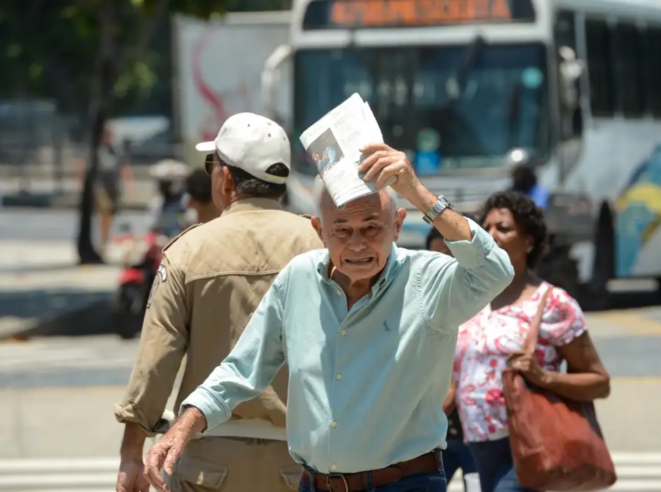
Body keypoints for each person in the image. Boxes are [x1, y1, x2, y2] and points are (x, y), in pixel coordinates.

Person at [143, 142, 516, 492]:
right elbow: (241, 369)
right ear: (319, 231)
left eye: (371, 227)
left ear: (397, 225)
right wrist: (182, 428)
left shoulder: (428, 279)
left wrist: (417, 191)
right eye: (342, 230)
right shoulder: (298, 277)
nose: (357, 244)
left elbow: (495, 271)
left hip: (405, 483)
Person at [114, 112, 325, 492]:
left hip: (207, 460)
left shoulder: (187, 251)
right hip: (304, 459)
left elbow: (155, 361)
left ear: (225, 179)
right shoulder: (322, 245)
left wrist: (131, 454)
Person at [452, 191, 610, 492]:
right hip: (473, 443)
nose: (492, 235)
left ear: (529, 242)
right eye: (486, 228)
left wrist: (544, 377)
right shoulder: (469, 296)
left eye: (504, 228)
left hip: (525, 443)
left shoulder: (552, 303)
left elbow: (599, 381)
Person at [425, 226, 478, 489]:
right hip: (435, 437)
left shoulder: (482, 301)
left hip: (478, 435)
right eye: (439, 255)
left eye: (452, 253)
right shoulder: (423, 303)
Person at [93, 124, 134, 252]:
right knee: (105, 211)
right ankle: (103, 239)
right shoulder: (97, 149)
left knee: (110, 213)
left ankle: (106, 237)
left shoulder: (116, 150)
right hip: (100, 186)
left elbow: (124, 166)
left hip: (114, 186)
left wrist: (129, 183)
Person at [147, 159, 190, 238]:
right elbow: (153, 226)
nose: (162, 187)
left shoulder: (186, 201)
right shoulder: (157, 203)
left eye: (165, 184)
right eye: (161, 184)